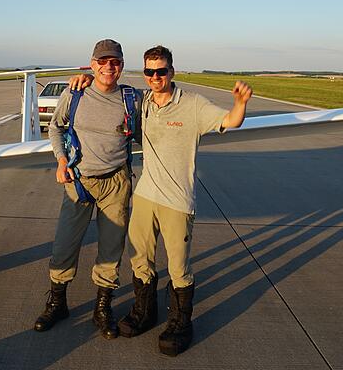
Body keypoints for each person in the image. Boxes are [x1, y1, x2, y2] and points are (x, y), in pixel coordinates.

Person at [69, 45, 252, 355]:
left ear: (172, 72)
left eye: (161, 71)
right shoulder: (143, 103)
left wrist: (240, 102)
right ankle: (145, 311)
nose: (156, 77)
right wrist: (84, 80)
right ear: (145, 74)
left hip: (177, 201)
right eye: (150, 72)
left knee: (179, 267)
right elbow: (109, 89)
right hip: (145, 196)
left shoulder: (193, 105)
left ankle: (181, 322)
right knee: (140, 259)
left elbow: (231, 121)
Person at [34, 39, 141, 340]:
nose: (110, 66)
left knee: (111, 247)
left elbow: (153, 126)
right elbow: (56, 127)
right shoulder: (76, 93)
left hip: (116, 182)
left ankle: (102, 307)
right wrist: (60, 160)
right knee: (65, 244)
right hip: (78, 182)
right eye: (103, 61)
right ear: (92, 64)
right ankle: (58, 302)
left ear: (121, 65)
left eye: (115, 61)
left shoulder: (132, 99)